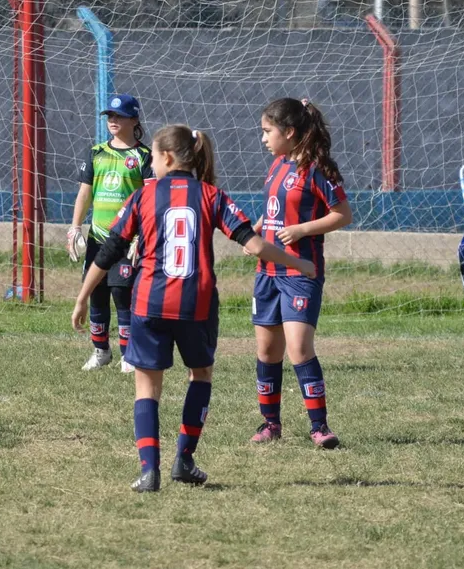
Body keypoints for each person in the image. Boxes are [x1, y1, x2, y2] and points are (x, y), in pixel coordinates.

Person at [71, 125, 317, 493]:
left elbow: (108, 251)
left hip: (150, 301)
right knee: (200, 376)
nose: (149, 164)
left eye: (152, 156)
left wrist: (82, 296)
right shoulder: (211, 195)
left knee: (147, 386)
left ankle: (148, 471)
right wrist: (299, 264)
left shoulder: (143, 196)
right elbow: (253, 245)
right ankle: (184, 460)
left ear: (167, 158)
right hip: (196, 304)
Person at [249, 98, 352, 448]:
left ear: (289, 132)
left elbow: (342, 214)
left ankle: (319, 427)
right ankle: (270, 424)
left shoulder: (318, 170)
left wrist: (303, 230)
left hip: (300, 273)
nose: (262, 139)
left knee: (299, 348)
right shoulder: (277, 165)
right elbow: (273, 208)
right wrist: (257, 227)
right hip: (267, 271)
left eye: (267, 131)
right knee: (267, 351)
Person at [68, 94, 152, 372]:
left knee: (122, 293)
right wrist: (75, 226)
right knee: (97, 292)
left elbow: (149, 198)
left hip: (128, 240)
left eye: (119, 116)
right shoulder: (95, 153)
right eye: (110, 116)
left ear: (134, 120)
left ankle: (129, 355)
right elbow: (85, 193)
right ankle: (101, 350)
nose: (113, 121)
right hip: (98, 238)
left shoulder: (144, 156)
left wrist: (142, 234)